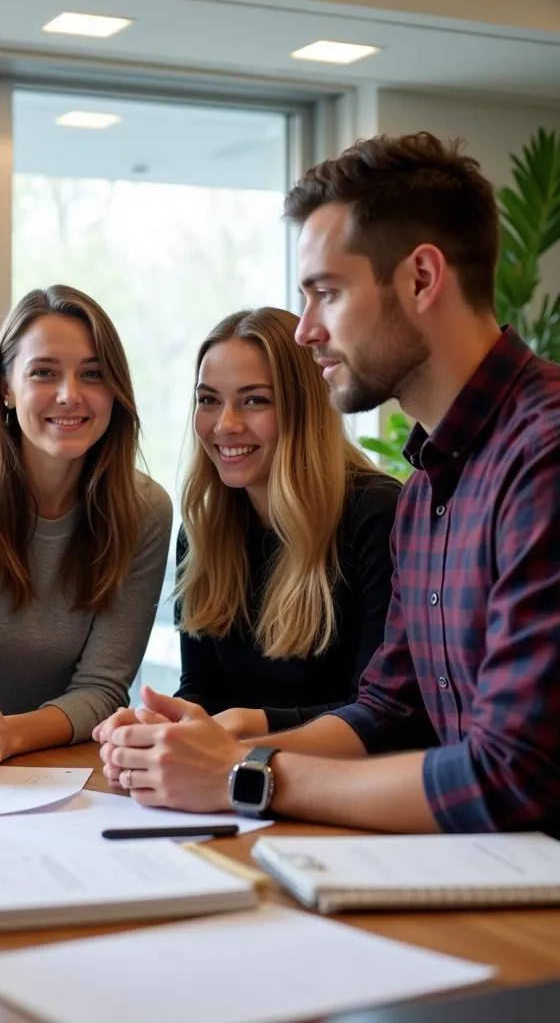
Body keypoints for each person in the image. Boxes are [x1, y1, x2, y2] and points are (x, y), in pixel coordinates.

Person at [99, 132, 560, 837]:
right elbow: (387, 709)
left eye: (327, 294)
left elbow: (510, 774)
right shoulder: (430, 488)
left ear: (421, 278)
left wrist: (241, 776)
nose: (308, 331)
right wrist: (219, 751)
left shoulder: (543, 455)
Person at [0, 285, 172, 774]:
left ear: (115, 391)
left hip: (77, 763)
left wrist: (10, 734)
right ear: (6, 387)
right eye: (43, 372)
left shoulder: (145, 508)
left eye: (93, 374)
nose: (70, 395)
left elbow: (104, 687)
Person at [100, 306, 398, 743]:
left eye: (254, 400)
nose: (225, 425)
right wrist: (163, 723)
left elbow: (381, 714)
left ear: (303, 408)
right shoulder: (203, 534)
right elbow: (202, 692)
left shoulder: (376, 515)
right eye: (209, 400)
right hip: (231, 781)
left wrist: (250, 723)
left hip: (336, 791)